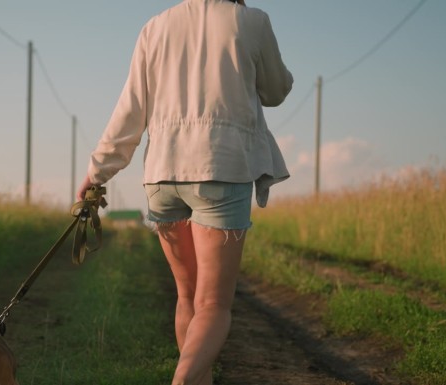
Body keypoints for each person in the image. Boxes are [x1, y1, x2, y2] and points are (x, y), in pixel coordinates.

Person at [77, 0, 292, 383]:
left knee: (188, 297)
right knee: (213, 305)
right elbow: (275, 91)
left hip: (161, 173)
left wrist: (98, 172)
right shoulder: (253, 21)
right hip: (220, 167)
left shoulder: (155, 27)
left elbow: (131, 108)